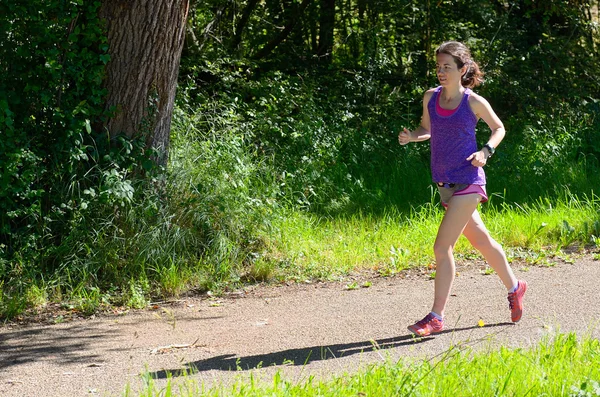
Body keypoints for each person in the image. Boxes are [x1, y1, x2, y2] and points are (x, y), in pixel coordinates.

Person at [398, 41, 527, 337]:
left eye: (447, 67)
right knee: (482, 241)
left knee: (442, 247)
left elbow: (499, 128)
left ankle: (436, 317)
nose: (441, 72)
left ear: (462, 69)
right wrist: (412, 137)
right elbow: (427, 129)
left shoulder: (473, 102)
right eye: (438, 67)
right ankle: (515, 286)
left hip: (469, 180)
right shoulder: (431, 97)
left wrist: (485, 152)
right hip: (445, 183)